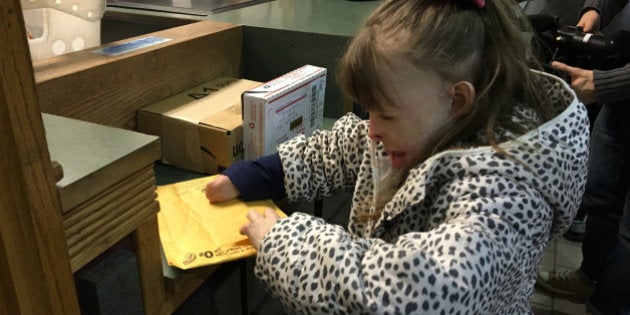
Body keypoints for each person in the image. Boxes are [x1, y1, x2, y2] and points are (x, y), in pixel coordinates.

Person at [206, 0, 589, 313]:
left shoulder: (504, 195)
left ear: (458, 99)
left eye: (385, 113)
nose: (372, 128)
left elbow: (408, 295)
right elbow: (345, 149)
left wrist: (283, 241)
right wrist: (256, 174)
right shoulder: (423, 126)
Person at [536, 0, 630, 314]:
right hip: (623, 101)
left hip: (618, 85)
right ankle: (589, 277)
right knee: (601, 195)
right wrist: (597, 10)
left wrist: (607, 83)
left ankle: (605, 307)